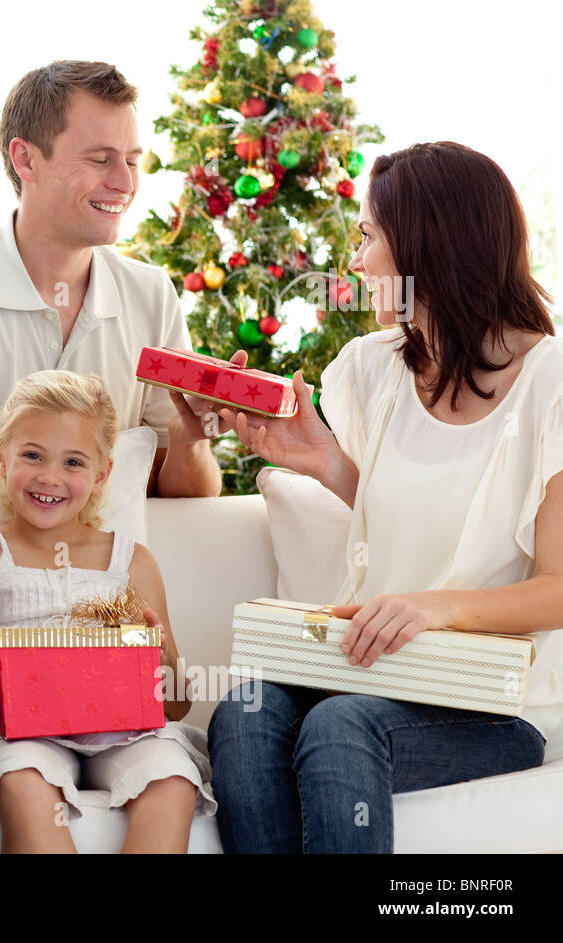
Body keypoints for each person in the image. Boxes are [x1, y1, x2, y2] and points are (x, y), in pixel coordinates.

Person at [207, 142, 563, 853]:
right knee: (243, 712)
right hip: (378, 670)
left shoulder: (550, 380)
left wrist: (434, 609)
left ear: (430, 244)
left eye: (369, 235)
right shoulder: (373, 369)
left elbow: (558, 588)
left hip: (502, 699)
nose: (356, 260)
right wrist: (324, 462)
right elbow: (415, 510)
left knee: (342, 725)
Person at [0, 60, 230, 497]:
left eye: (131, 161)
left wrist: (189, 437)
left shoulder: (151, 294)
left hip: (119, 566)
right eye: (100, 160)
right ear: (25, 159)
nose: (125, 183)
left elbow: (183, 499)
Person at [0, 370, 213, 853]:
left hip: (127, 732)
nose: (50, 477)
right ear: (1, 458)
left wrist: (163, 657)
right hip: (22, 734)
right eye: (32, 455)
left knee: (171, 779)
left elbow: (175, 704)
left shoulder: (130, 560)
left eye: (73, 462)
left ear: (102, 474)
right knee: (23, 779)